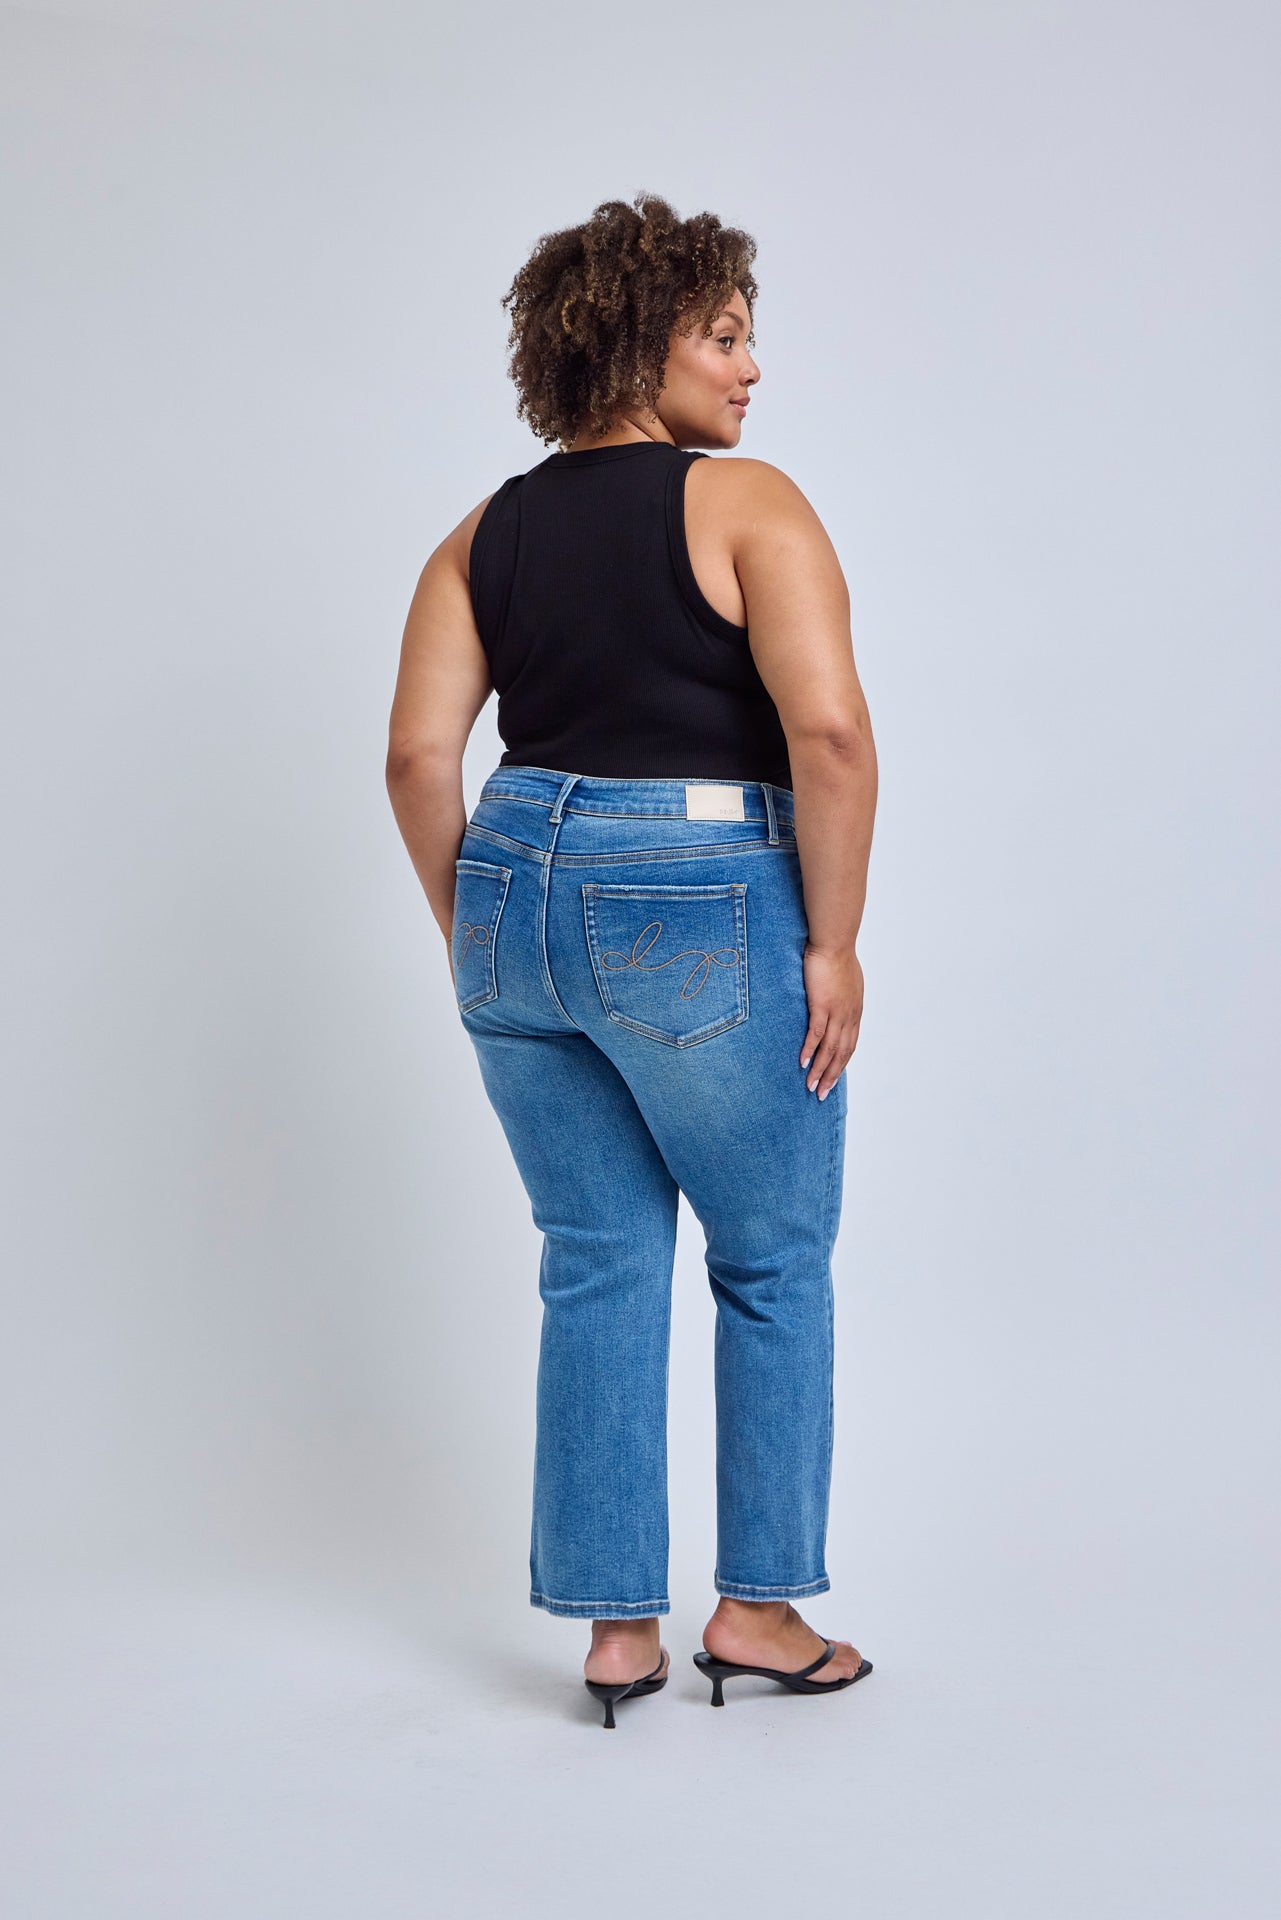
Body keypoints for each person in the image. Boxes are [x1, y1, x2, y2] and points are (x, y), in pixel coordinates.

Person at [385, 194, 878, 1727]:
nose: (749, 372)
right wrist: (837, 940)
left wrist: (481, 928)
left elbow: (415, 758)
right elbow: (830, 733)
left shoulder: (480, 533)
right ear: (634, 339)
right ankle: (757, 1610)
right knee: (769, 1255)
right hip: (698, 884)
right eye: (722, 335)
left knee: (596, 1261)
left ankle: (613, 1636)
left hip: (512, 884)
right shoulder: (745, 504)